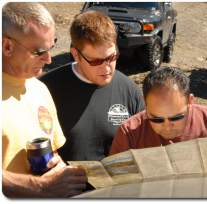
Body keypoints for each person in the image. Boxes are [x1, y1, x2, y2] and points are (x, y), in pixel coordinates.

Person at [2, 3, 87, 197]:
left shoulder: (39, 89)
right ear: (7, 46)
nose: (49, 59)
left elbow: (53, 152)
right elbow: (41, 186)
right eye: (39, 52)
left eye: (52, 46)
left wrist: (60, 171)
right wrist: (39, 187)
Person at [39, 11, 144, 161]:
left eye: (112, 57)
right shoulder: (46, 90)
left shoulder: (129, 90)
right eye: (96, 61)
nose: (107, 68)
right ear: (75, 54)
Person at [110, 67, 207, 155]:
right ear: (145, 104)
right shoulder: (129, 132)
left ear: (190, 101)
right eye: (157, 119)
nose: (167, 127)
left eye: (176, 118)